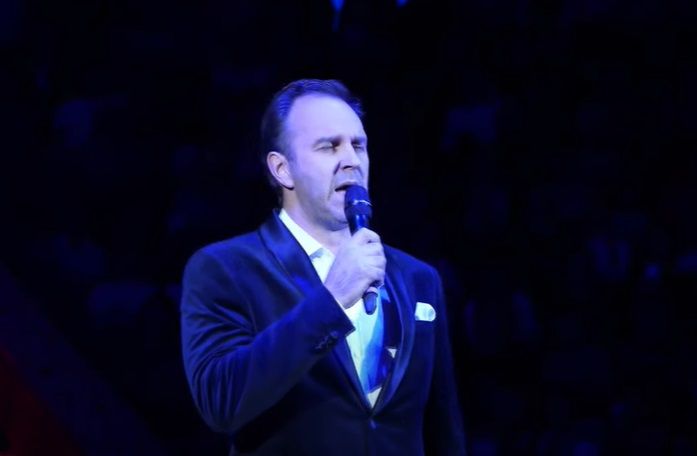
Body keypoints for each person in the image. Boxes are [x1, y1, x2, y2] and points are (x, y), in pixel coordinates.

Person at [180, 79, 466, 455]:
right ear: (282, 169)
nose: (351, 160)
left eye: (358, 145)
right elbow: (221, 401)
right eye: (329, 146)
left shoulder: (417, 278)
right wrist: (331, 301)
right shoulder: (226, 269)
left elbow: (443, 429)